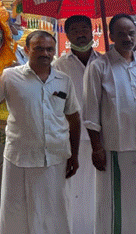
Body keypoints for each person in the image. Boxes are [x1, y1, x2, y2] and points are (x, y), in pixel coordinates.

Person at [0, 30, 81, 233]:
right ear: (26, 49)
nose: (45, 53)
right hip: (20, 159)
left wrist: (74, 155)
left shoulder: (63, 80)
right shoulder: (8, 77)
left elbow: (74, 119)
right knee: (17, 214)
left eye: (49, 49)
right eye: (39, 48)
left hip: (56, 159)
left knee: (55, 211)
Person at [83, 14, 136, 234]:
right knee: (114, 204)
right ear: (110, 36)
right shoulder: (98, 67)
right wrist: (97, 148)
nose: (127, 37)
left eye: (131, 33)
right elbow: (90, 111)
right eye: (121, 33)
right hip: (114, 147)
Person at [52, 15, 101, 233]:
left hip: (99, 138)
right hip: (70, 138)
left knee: (98, 190)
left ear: (93, 32)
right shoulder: (57, 66)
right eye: (75, 30)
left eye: (85, 29)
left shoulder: (103, 62)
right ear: (67, 35)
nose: (81, 34)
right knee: (72, 191)